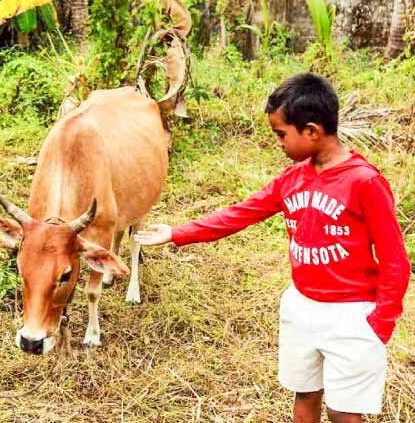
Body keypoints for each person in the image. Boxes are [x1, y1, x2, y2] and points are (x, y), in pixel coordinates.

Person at [134, 73, 410, 422]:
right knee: (304, 393)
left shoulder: (364, 182)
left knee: (342, 411)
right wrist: (177, 233)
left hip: (352, 316)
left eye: (281, 134)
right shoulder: (292, 179)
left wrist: (380, 322)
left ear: (312, 131)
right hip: (302, 307)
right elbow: (239, 214)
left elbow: (395, 260)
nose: (278, 143)